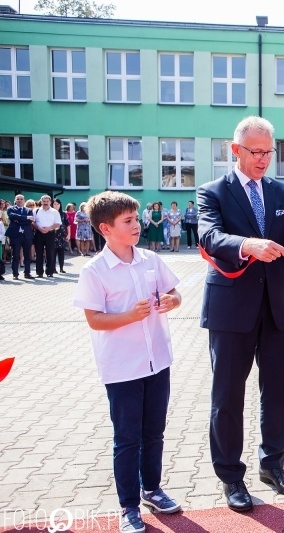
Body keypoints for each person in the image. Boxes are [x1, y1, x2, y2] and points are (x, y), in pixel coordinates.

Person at [197, 115, 284, 512]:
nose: (262, 159)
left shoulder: (283, 192)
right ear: (235, 149)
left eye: (268, 152)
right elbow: (210, 236)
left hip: (278, 308)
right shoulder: (213, 192)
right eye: (254, 152)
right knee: (228, 396)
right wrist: (247, 245)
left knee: (278, 392)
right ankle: (230, 476)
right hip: (230, 309)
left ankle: (273, 464)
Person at [73, 191, 183, 533]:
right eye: (129, 221)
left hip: (157, 361)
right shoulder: (95, 271)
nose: (137, 225)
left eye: (136, 219)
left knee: (155, 432)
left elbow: (175, 293)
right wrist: (127, 316)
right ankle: (128, 506)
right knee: (127, 438)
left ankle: (152, 489)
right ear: (106, 228)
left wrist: (171, 301)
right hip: (122, 368)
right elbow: (94, 320)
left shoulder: (150, 259)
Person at [32, 194, 61, 278]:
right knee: (39, 253)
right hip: (39, 233)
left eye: (47, 201)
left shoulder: (54, 212)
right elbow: (33, 222)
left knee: (50, 253)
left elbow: (58, 223)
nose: (45, 203)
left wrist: (49, 228)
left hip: (50, 234)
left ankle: (50, 272)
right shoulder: (36, 211)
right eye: (44, 201)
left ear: (50, 202)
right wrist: (39, 228)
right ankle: (39, 272)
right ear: (41, 202)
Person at [7, 195, 34, 279]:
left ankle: (27, 273)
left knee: (27, 255)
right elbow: (12, 217)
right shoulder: (11, 209)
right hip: (15, 235)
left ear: (24, 200)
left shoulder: (29, 210)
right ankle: (15, 274)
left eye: (21, 199)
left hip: (26, 235)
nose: (19, 200)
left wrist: (18, 220)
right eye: (17, 199)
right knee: (15, 255)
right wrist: (25, 218)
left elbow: (29, 221)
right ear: (15, 200)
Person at [52, 199, 69, 274]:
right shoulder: (50, 213)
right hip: (53, 234)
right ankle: (53, 268)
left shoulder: (63, 214)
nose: (56, 205)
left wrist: (69, 234)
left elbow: (68, 224)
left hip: (62, 235)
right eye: (55, 204)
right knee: (53, 252)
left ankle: (61, 268)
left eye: (57, 204)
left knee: (61, 252)